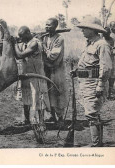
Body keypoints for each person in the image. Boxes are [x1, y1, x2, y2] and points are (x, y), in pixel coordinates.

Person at [71, 16, 112, 147]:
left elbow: (106, 67)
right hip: (85, 82)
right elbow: (88, 63)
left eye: (85, 28)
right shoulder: (89, 43)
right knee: (92, 113)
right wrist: (77, 71)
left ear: (93, 30)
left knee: (91, 113)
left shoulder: (102, 44)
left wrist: (100, 85)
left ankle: (96, 145)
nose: (82, 30)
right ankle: (97, 142)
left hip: (94, 83)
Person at [13, 26, 50, 132]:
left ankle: (42, 122)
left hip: (36, 75)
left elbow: (20, 55)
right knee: (26, 97)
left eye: (22, 36)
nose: (21, 38)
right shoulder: (25, 43)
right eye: (20, 37)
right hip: (26, 74)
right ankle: (26, 119)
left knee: (39, 98)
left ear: (28, 33)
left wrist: (14, 44)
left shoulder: (34, 43)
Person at [42, 18, 69, 125]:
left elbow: (52, 56)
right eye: (46, 25)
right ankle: (52, 116)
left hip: (57, 70)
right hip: (46, 69)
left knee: (57, 92)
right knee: (48, 92)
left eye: (49, 25)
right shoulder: (44, 38)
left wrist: (43, 46)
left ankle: (61, 118)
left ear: (55, 26)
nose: (47, 27)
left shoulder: (59, 39)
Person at [103, 27, 115, 99]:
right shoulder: (101, 40)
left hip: (111, 59)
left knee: (112, 76)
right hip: (103, 60)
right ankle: (104, 92)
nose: (106, 35)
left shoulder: (112, 40)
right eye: (105, 34)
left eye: (107, 33)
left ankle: (110, 92)